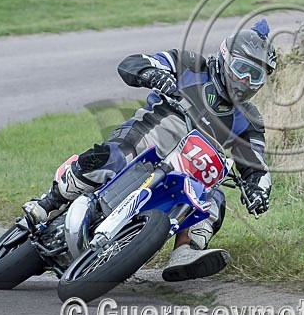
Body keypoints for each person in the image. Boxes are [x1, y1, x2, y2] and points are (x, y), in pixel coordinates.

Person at [22, 19, 276, 282]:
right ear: (225, 58)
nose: (245, 81)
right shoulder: (189, 65)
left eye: (255, 76)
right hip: (145, 140)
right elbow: (134, 63)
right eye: (242, 69)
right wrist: (153, 74)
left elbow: (256, 162)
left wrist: (258, 188)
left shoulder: (249, 119)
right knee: (111, 157)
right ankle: (48, 203)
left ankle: (186, 252)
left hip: (187, 171)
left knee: (214, 201)